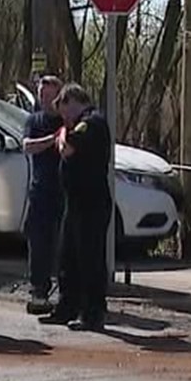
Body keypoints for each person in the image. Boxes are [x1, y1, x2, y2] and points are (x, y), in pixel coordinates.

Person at [43, 83, 111, 331]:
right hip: (75, 202)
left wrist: (62, 135)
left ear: (72, 100)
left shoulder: (92, 122)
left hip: (91, 202)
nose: (65, 118)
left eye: (64, 111)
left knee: (90, 259)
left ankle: (93, 313)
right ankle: (66, 307)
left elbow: (68, 146)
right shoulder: (79, 122)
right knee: (68, 257)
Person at [19, 73, 65, 314]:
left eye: (51, 95)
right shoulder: (34, 121)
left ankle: (67, 293)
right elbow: (27, 146)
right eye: (42, 95)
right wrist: (51, 140)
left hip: (65, 191)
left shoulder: (69, 121)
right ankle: (39, 291)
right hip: (40, 190)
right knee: (38, 243)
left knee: (65, 244)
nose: (46, 100)